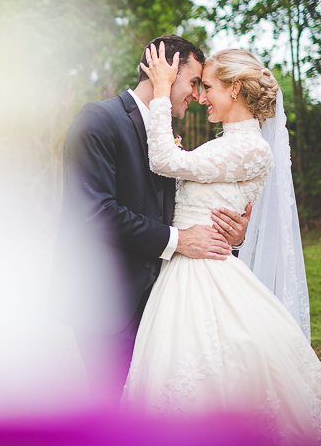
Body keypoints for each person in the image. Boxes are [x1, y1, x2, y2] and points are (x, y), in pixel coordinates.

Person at [120, 45, 321, 445]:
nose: (199, 97)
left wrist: (162, 90)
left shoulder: (250, 147)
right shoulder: (227, 143)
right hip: (185, 266)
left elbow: (162, 159)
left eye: (207, 87)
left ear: (234, 90)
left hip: (206, 273)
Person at [51, 35, 252, 404]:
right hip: (106, 299)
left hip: (161, 298)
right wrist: (178, 240)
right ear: (163, 71)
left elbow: (178, 207)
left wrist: (233, 232)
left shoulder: (164, 136)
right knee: (114, 407)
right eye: (193, 82)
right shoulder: (99, 118)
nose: (197, 95)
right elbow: (95, 213)